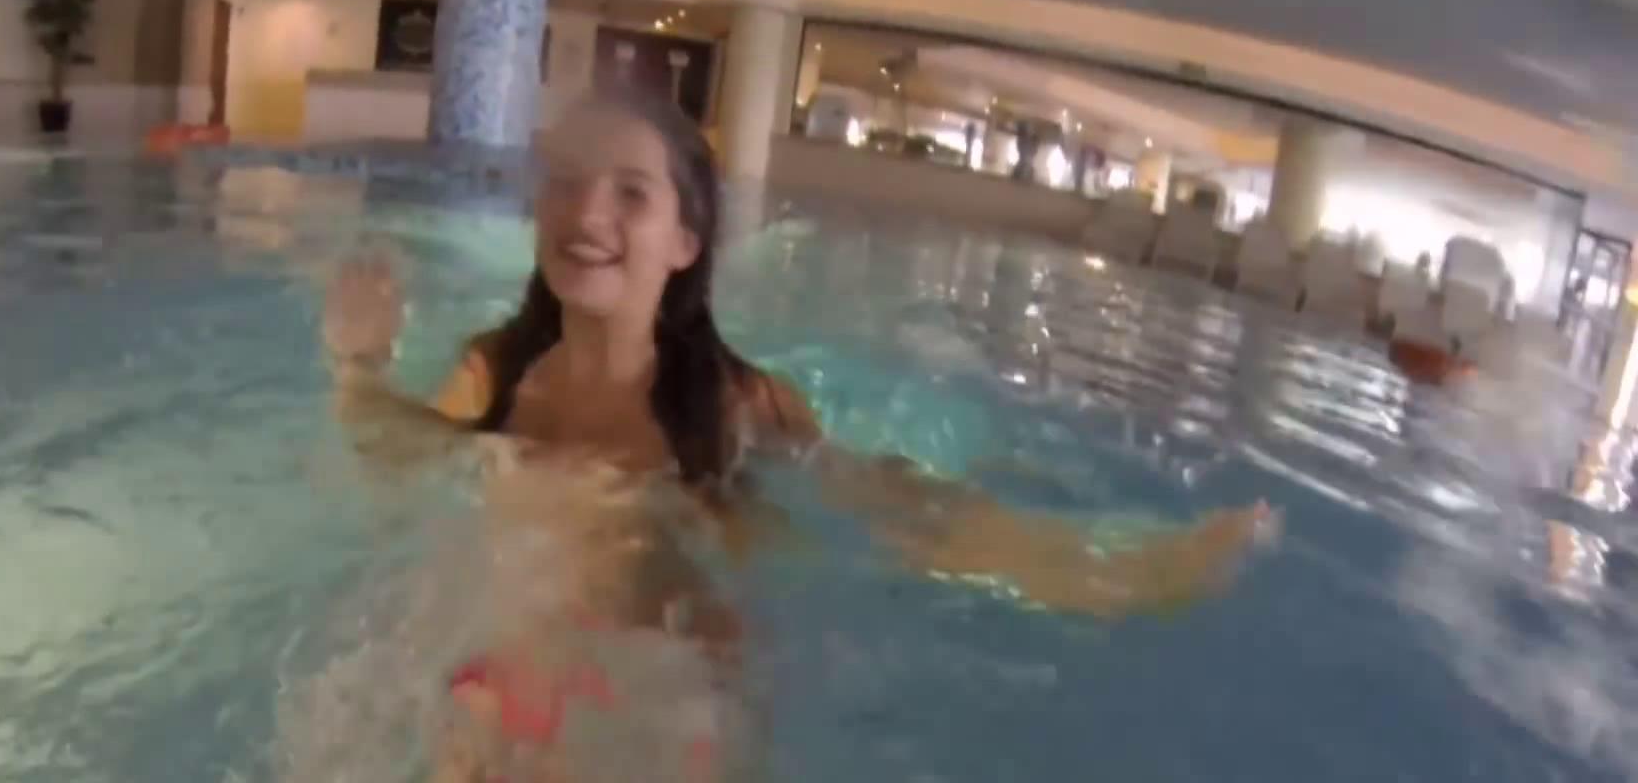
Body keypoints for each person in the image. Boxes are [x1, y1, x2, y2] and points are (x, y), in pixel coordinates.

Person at [322, 92, 1276, 778]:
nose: (588, 213)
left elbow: (904, 509)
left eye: (631, 193)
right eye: (568, 182)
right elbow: (395, 458)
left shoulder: (739, 404)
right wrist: (358, 366)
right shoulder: (492, 374)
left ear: (687, 241)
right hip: (501, 705)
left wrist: (1116, 570)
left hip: (657, 719)